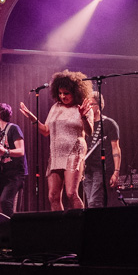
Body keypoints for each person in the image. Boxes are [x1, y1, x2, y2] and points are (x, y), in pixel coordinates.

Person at [19, 70, 94, 211]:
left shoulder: (83, 107)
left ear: (76, 92)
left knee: (71, 193)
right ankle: (60, 228)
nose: (62, 96)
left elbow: (89, 131)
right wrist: (32, 118)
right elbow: (46, 131)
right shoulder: (56, 107)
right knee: (53, 196)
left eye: (66, 93)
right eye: (60, 93)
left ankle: (81, 227)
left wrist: (83, 117)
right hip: (56, 154)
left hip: (74, 152)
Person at [82, 91, 121, 208]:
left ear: (98, 106)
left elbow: (116, 149)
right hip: (86, 170)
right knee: (90, 203)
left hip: (101, 170)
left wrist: (116, 172)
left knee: (95, 203)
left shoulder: (109, 123)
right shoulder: (84, 124)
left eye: (91, 104)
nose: (88, 107)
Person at [0, 103, 27, 216]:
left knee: (6, 202)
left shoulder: (13, 128)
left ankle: (14, 229)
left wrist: (5, 151)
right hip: (4, 174)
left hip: (15, 174)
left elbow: (21, 151)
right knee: (5, 204)